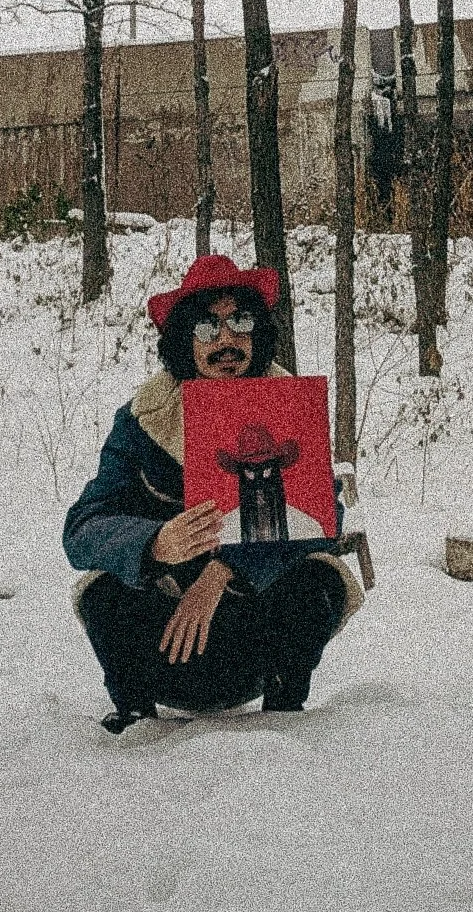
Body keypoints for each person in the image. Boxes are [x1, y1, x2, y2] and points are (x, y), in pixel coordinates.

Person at [63, 253, 364, 732]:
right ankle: (136, 719)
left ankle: (285, 719)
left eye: (240, 322)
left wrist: (224, 572)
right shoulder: (144, 419)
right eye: (207, 328)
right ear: (185, 340)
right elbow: (82, 529)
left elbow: (323, 517)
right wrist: (155, 543)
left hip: (255, 636)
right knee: (103, 591)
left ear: (259, 333)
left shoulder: (288, 406)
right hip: (166, 637)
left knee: (320, 580)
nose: (226, 340)